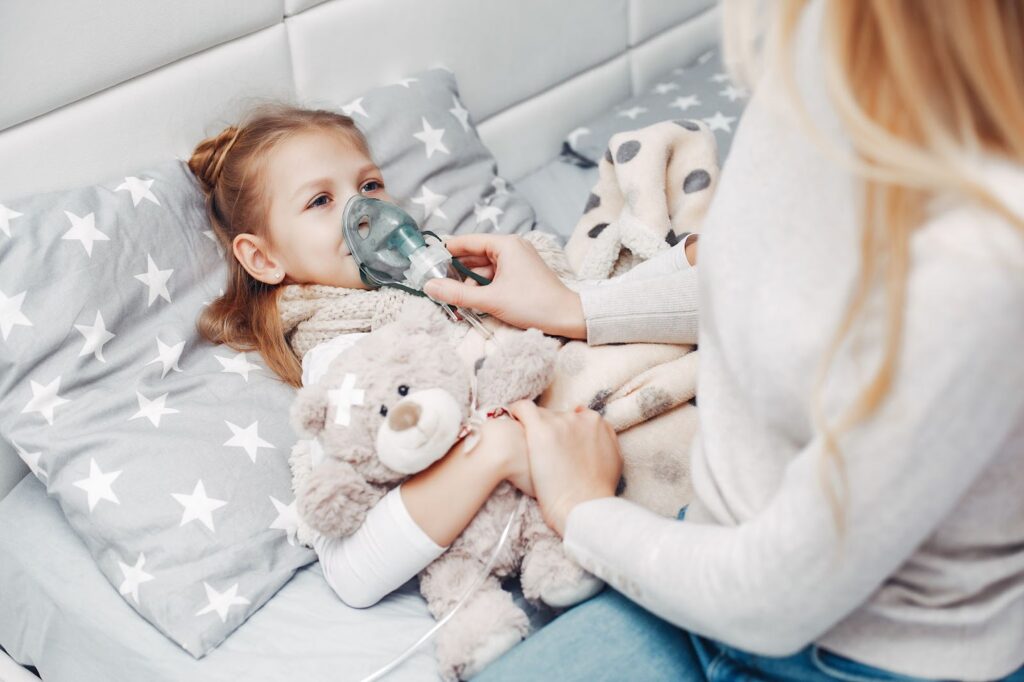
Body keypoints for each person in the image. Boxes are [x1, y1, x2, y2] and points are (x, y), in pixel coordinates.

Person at [422, 1, 1024, 680]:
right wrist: (577, 306)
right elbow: (772, 265)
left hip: (860, 654)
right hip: (703, 564)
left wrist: (579, 509)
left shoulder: (991, 256)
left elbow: (773, 599)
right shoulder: (827, 44)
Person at [187, 106, 540, 608]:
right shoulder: (344, 363)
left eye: (370, 186)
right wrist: (499, 450)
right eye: (321, 200)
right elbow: (354, 573)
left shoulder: (454, 279)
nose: (363, 212)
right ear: (264, 258)